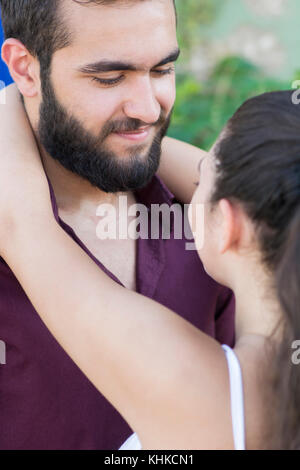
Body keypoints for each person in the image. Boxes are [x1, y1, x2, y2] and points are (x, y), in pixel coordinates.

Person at [0, 88, 299, 450]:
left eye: (201, 176)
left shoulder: (200, 390)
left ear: (231, 226)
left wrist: (29, 85)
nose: (193, 180)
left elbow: (20, 225)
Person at [0, 0, 235, 450]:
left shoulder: (209, 235)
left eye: (163, 69)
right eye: (109, 78)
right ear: (25, 70)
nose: (148, 110)